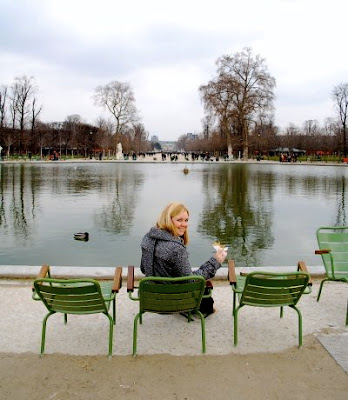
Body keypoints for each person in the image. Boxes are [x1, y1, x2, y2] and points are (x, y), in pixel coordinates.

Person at [140, 202, 227, 315]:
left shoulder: (148, 239)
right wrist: (215, 262)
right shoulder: (176, 248)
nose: (184, 224)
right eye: (179, 220)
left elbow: (143, 268)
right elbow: (190, 280)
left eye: (186, 220)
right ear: (168, 219)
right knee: (204, 287)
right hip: (174, 301)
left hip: (151, 298)